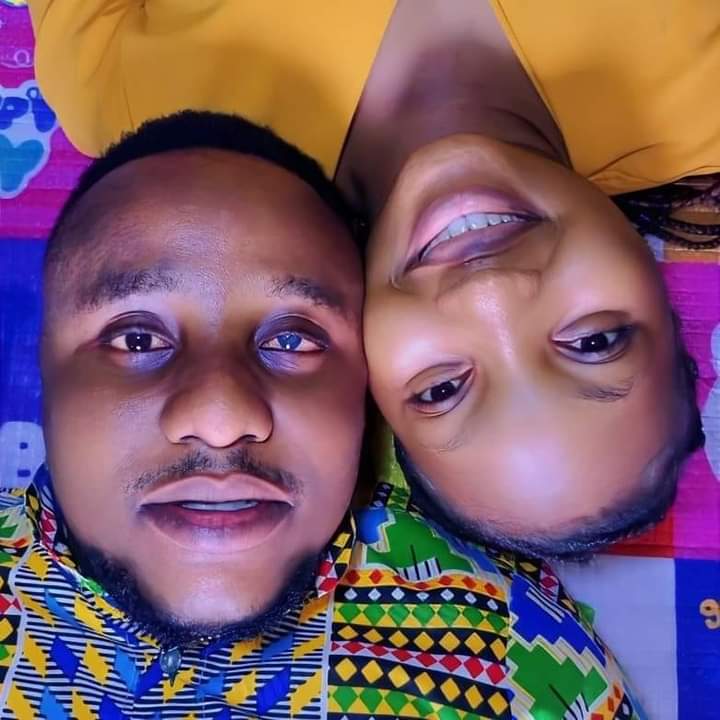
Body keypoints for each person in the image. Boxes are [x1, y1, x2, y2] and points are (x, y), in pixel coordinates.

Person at [0, 110, 646, 718]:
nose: (221, 417)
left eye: (292, 339)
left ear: (366, 384)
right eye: (137, 339)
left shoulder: (519, 661)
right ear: (41, 369)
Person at [27, 1, 711, 558]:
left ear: (369, 379)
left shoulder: (143, 121)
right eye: (595, 342)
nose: (490, 293)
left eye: (442, 389)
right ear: (661, 296)